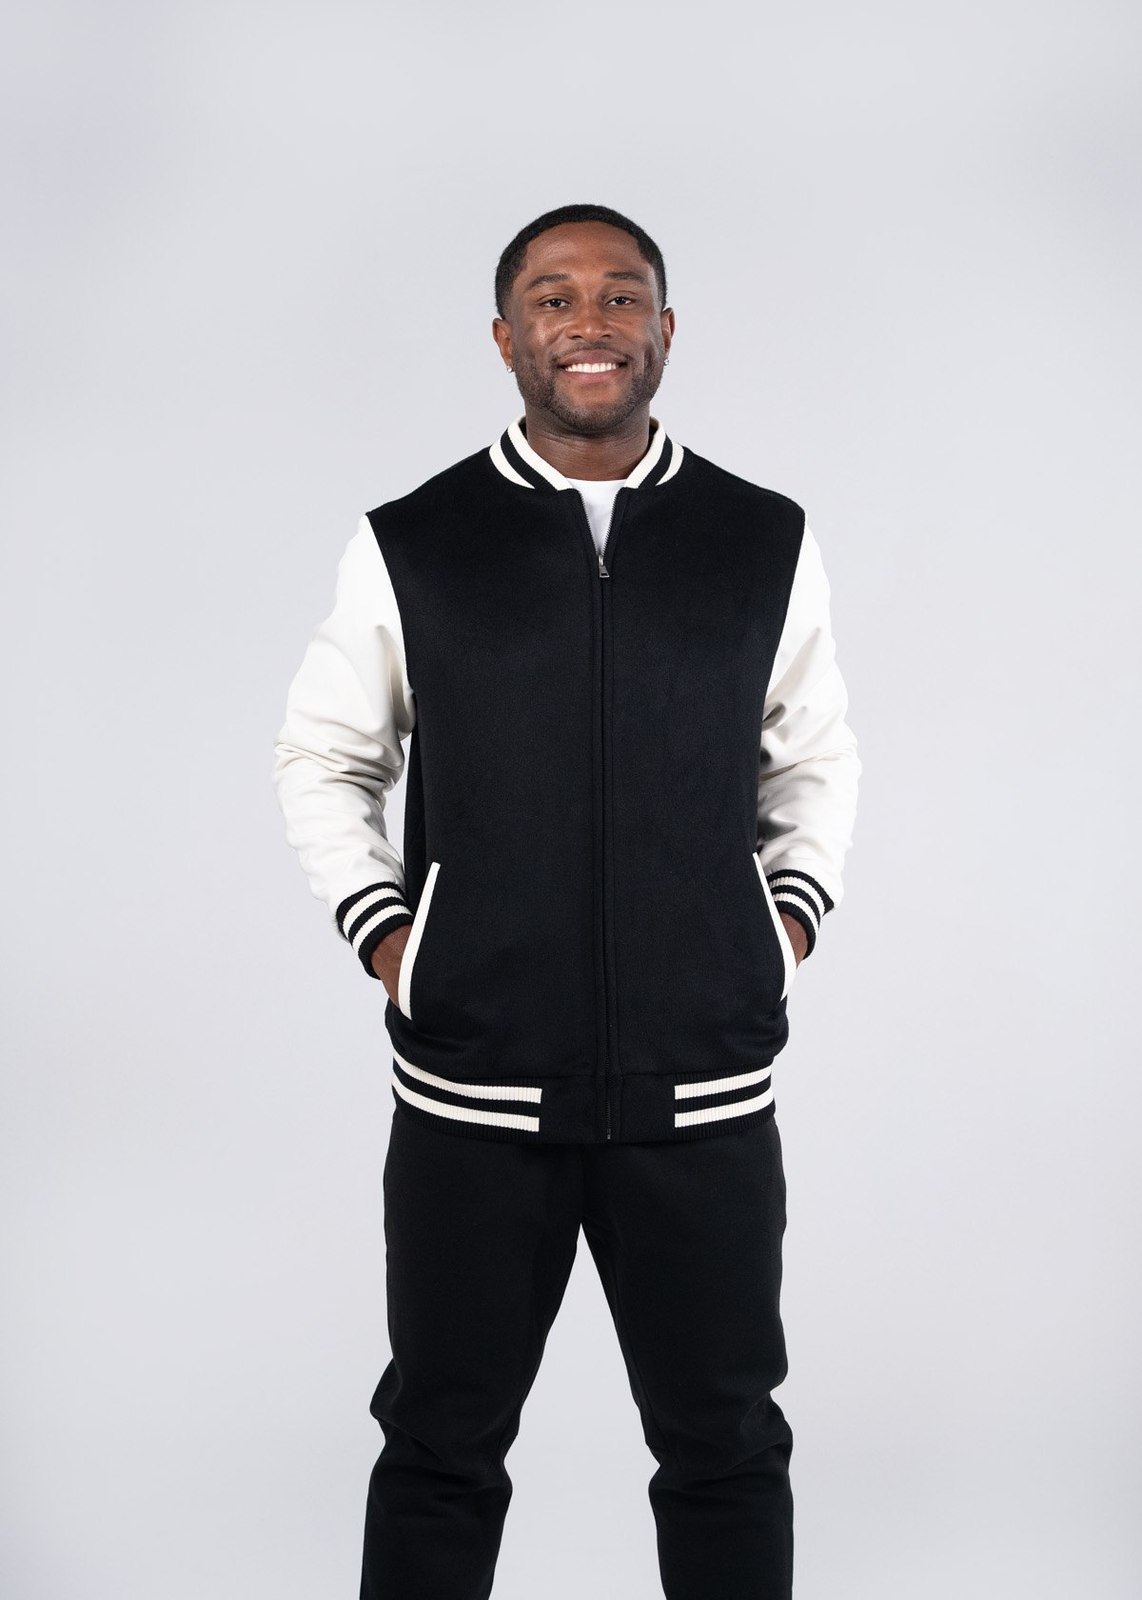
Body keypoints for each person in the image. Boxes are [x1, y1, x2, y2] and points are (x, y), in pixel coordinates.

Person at [272, 201, 860, 1600]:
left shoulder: (759, 539)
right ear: (504, 338)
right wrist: (397, 942)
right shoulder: (417, 541)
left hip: (702, 1094)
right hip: (475, 1097)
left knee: (724, 1447)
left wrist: (777, 928)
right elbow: (323, 756)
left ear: (665, 329)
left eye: (619, 295)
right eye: (553, 298)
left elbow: (813, 756)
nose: (588, 322)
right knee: (440, 1445)